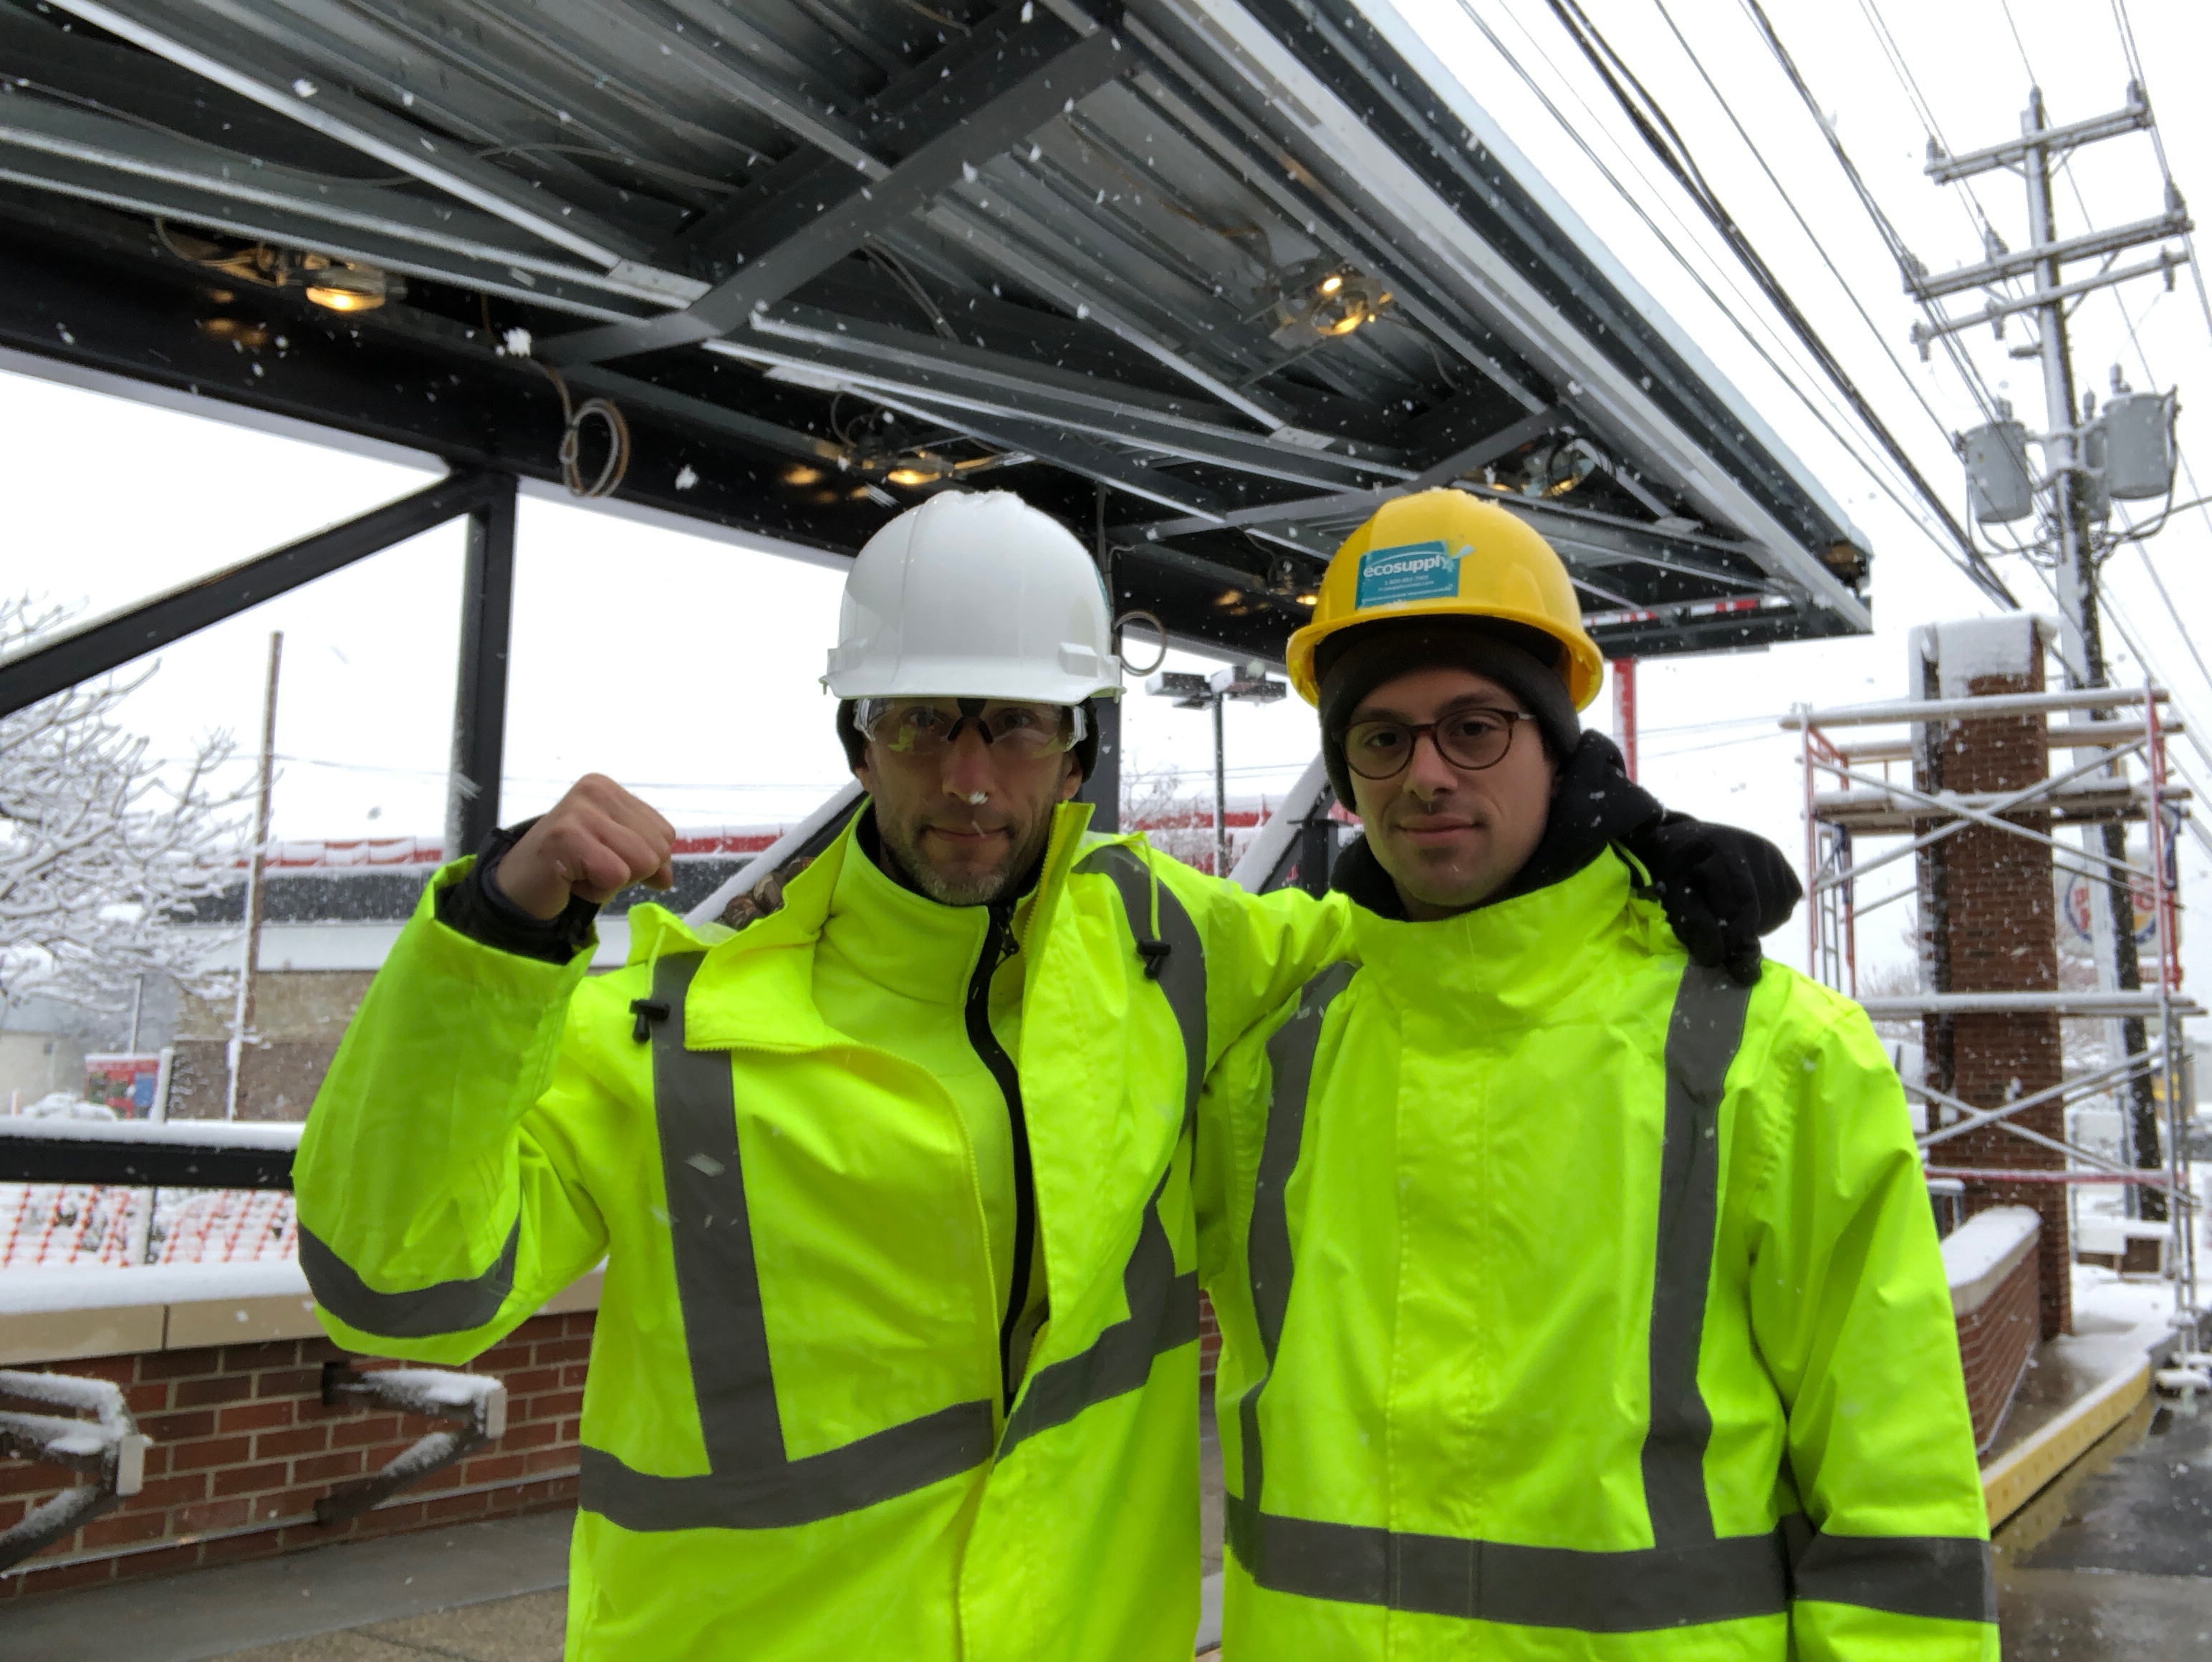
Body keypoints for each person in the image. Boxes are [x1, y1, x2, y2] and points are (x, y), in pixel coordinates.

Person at [293, 489, 1797, 1661]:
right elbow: (399, 1285)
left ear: (1073, 751)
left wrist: (1608, 855)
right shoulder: (672, 1030)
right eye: (925, 721)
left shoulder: (1170, 953)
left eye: (1011, 725)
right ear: (858, 740)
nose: (967, 776)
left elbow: (1436, 932)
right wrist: (491, 939)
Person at [1198, 489, 1994, 1661]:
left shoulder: (1771, 1057)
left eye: (1475, 726)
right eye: (1382, 737)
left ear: (1557, 743)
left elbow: (1898, 1512)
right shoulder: (1274, 1063)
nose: (1426, 775)